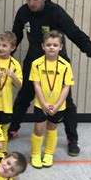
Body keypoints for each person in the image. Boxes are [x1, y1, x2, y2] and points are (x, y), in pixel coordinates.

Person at [11, 0, 91, 156]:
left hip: (57, 65)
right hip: (34, 63)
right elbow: (15, 38)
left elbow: (76, 35)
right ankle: (12, 129)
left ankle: (72, 139)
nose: (31, 3)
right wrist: (5, 59)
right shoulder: (23, 12)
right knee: (24, 96)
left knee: (66, 103)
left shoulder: (56, 12)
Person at [29, 31, 74, 168]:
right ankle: (36, 155)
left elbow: (66, 87)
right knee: (39, 129)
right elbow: (36, 84)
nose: (52, 47)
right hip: (41, 104)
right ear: (43, 46)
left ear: (60, 47)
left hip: (58, 105)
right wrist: (43, 103)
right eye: (48, 45)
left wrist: (58, 104)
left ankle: (48, 154)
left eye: (55, 45)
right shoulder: (36, 64)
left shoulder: (65, 65)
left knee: (52, 128)